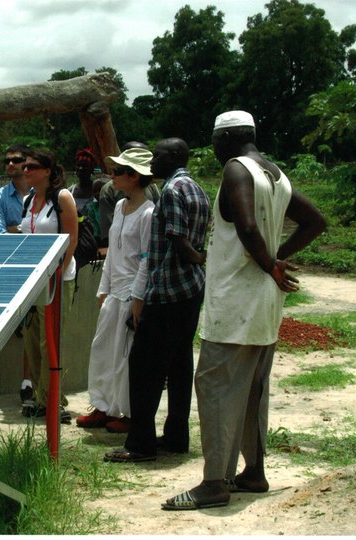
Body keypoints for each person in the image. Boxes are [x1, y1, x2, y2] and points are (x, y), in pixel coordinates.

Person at [162, 111, 326, 510]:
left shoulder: (237, 170)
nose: (215, 150)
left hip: (235, 304)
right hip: (265, 305)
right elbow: (315, 222)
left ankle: (214, 483)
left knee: (217, 389)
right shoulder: (276, 174)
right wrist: (275, 260)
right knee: (253, 390)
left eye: (216, 142)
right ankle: (253, 473)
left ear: (228, 138)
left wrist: (270, 262)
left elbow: (248, 227)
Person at [104, 137, 211, 463]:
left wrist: (198, 258)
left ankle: (140, 444)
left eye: (160, 154)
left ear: (176, 156)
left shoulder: (173, 192)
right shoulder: (198, 189)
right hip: (191, 292)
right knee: (179, 365)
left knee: (143, 368)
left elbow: (175, 241)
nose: (153, 160)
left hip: (167, 293)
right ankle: (177, 436)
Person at [76, 148, 155, 433]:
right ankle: (102, 405)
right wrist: (103, 287)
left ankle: (128, 412)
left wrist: (138, 298)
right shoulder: (120, 207)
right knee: (102, 349)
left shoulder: (148, 213)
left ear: (134, 177)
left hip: (131, 293)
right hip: (113, 291)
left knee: (126, 355)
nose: (113, 175)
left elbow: (146, 258)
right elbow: (112, 252)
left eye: (119, 171)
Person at [19, 148, 77, 424]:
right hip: (32, 281)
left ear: (47, 171)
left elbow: (71, 240)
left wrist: (56, 277)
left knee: (50, 341)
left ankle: (52, 399)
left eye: (31, 166)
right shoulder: (29, 199)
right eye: (24, 166)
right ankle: (42, 398)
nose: (25, 170)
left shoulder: (62, 197)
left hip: (56, 280)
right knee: (32, 342)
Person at [0, 144, 35, 408]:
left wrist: (15, 228)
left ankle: (29, 383)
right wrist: (29, 229)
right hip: (9, 267)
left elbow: (47, 232)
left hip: (39, 267)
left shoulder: (42, 193)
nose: (10, 165)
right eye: (7, 160)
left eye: (16, 160)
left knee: (34, 326)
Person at [69, 148, 97, 212]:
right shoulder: (70, 192)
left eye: (85, 166)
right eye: (78, 165)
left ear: (92, 169)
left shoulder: (98, 190)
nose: (81, 168)